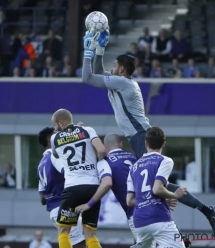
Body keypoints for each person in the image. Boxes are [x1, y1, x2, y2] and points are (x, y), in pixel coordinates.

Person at [81, 29, 215, 233]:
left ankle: (202, 212)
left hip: (141, 136)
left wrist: (88, 51)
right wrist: (100, 49)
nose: (112, 67)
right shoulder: (121, 82)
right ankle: (198, 212)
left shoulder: (122, 83)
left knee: (157, 185)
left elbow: (88, 78)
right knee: (155, 184)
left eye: (115, 64)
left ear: (123, 69)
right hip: (139, 136)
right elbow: (99, 73)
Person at [50, 109, 106, 248]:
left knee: (63, 231)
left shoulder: (54, 138)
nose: (54, 128)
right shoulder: (88, 130)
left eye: (55, 125)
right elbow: (101, 150)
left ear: (61, 123)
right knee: (90, 233)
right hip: (93, 186)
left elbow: (56, 155)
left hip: (72, 188)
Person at [126, 127, 187, 248]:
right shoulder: (165, 161)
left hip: (140, 222)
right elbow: (157, 189)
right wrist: (175, 195)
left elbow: (129, 201)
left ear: (146, 143)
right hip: (159, 218)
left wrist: (148, 202)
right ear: (164, 143)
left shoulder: (134, 167)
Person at [37, 127, 85, 248]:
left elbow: (42, 199)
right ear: (49, 140)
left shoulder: (40, 164)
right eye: (56, 135)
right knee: (79, 246)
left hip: (54, 212)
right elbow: (69, 173)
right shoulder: (55, 156)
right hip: (65, 207)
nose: (60, 138)